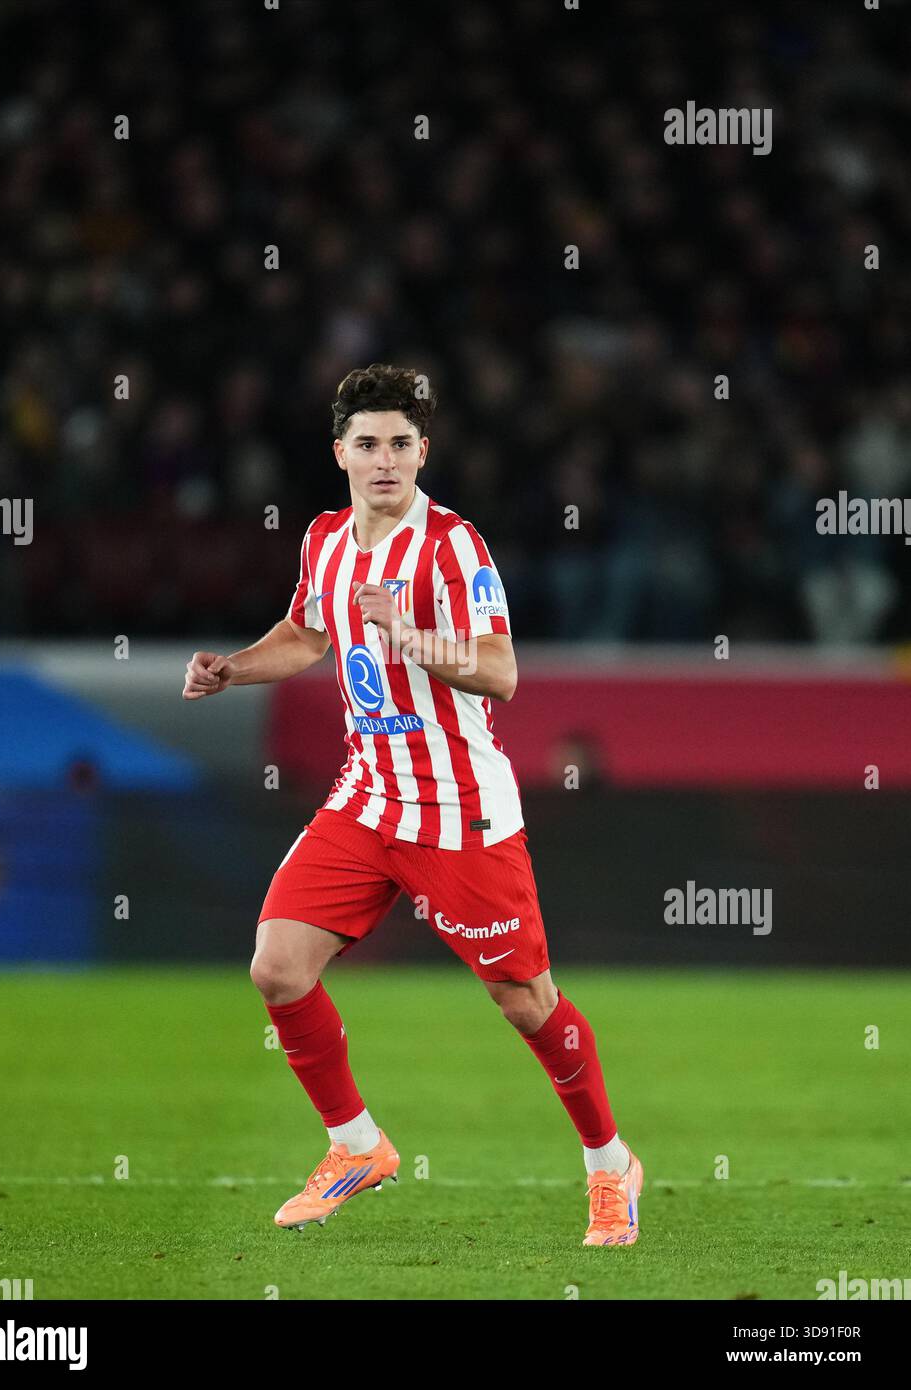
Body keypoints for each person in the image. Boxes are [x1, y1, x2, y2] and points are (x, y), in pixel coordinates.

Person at [182, 364, 643, 1246]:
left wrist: (409, 634)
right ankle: (355, 1144)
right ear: (340, 454)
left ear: (423, 451)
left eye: (400, 444)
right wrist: (233, 668)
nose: (385, 459)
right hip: (367, 797)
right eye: (368, 444)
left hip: (460, 807)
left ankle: (609, 1164)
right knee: (277, 966)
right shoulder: (323, 539)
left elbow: (501, 671)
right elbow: (309, 633)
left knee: (527, 1004)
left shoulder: (453, 547)